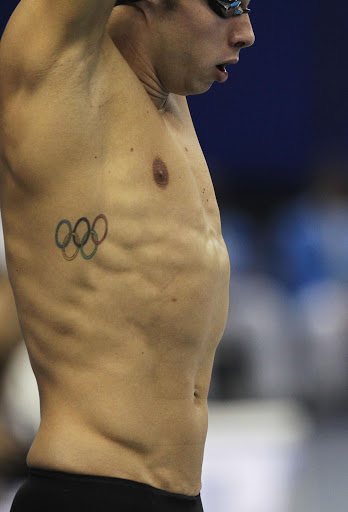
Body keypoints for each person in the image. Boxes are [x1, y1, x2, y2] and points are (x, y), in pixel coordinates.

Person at [0, 0, 254, 509]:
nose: (245, 32)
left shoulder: (168, 98)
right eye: (226, 3)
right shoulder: (57, 71)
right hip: (89, 492)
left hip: (179, 494)